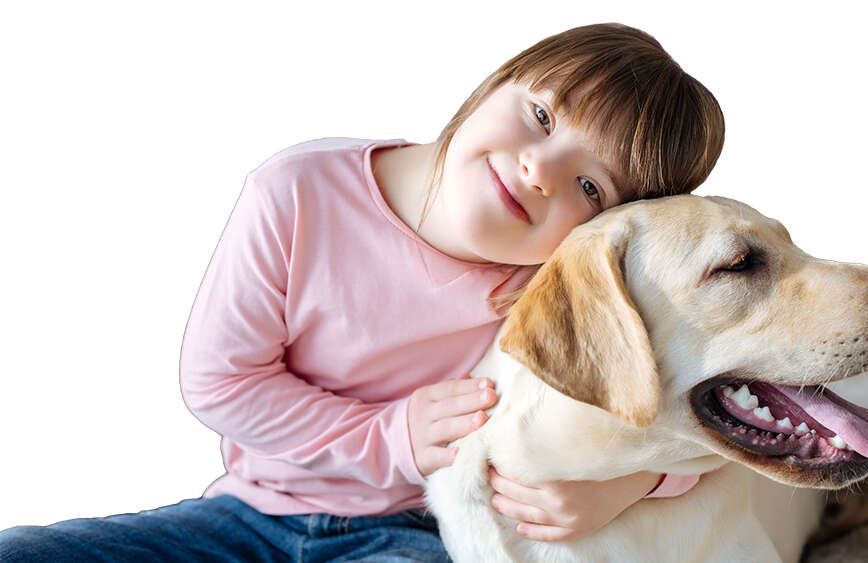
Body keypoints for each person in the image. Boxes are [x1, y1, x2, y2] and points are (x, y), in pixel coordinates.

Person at [0, 23, 724, 562]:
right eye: (541, 115)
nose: (541, 171)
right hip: (245, 515)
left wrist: (631, 483)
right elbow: (220, 381)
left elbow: (702, 414)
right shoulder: (298, 192)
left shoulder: (559, 291)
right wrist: (393, 436)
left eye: (589, 186)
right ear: (497, 81)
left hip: (414, 534)